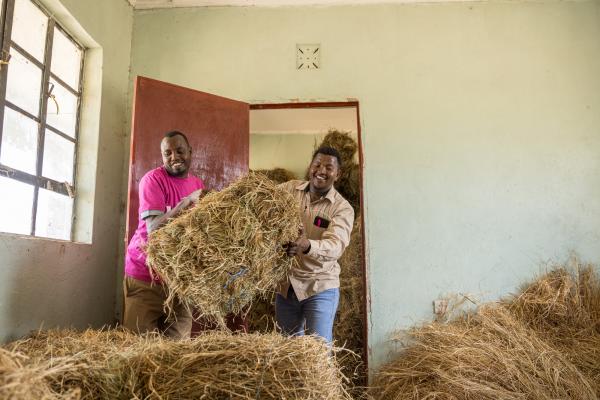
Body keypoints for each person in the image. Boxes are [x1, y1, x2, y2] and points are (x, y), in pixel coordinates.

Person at [123, 130, 203, 339]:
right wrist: (186, 202)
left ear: (190, 152)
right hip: (146, 276)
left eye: (179, 151)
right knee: (139, 348)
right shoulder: (152, 180)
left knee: (175, 353)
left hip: (179, 280)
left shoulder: (197, 185)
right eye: (167, 153)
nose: (174, 157)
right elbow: (154, 229)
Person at [275, 146, 354, 344]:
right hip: (287, 286)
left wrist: (306, 245)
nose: (321, 171)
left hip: (320, 287)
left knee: (317, 353)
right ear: (310, 166)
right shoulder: (288, 190)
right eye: (317, 164)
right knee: (288, 353)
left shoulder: (342, 208)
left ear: (338, 174)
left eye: (329, 167)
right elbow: (260, 201)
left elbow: (336, 245)